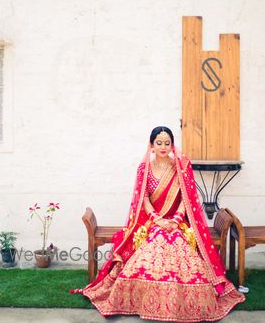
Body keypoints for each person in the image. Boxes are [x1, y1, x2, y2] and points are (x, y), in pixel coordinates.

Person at [80, 126, 245, 321]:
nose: (163, 146)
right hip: (152, 222)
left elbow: (187, 198)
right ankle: (144, 299)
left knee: (177, 246)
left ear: (172, 145)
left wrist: (175, 219)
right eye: (159, 143)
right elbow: (144, 198)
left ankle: (183, 300)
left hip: (178, 222)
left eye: (167, 143)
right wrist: (157, 219)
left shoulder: (181, 167)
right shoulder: (144, 169)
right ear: (151, 145)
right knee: (153, 247)